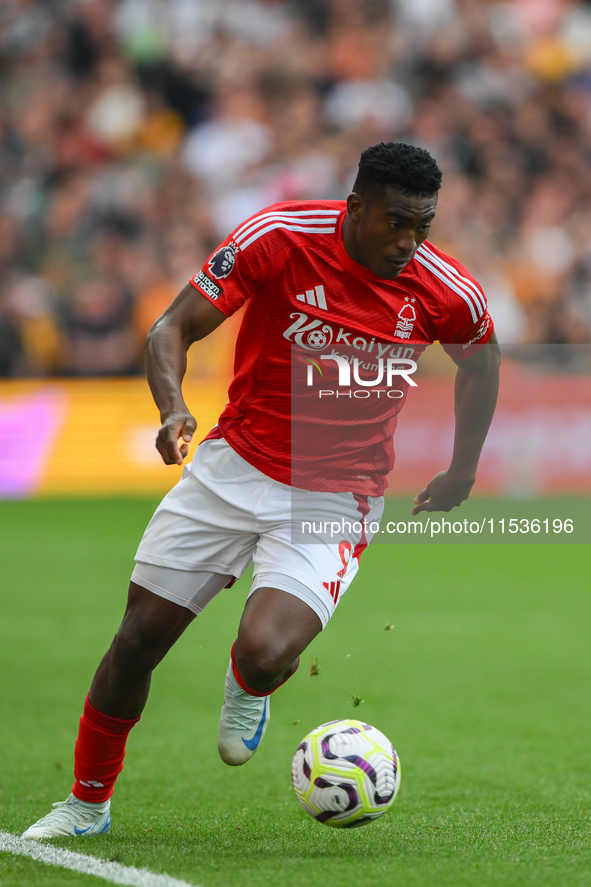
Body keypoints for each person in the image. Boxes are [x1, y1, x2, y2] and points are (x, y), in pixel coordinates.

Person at [21, 142, 500, 840]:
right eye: (396, 222)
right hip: (231, 467)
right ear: (355, 206)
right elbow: (171, 327)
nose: (409, 242)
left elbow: (481, 365)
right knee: (136, 641)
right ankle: (87, 803)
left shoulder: (442, 290)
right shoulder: (279, 237)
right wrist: (172, 407)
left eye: (422, 226)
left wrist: (462, 468)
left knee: (267, 651)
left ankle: (247, 683)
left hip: (335, 494)